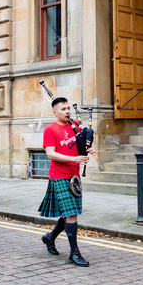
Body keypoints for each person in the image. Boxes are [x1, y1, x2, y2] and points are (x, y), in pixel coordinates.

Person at [38, 97, 96, 266]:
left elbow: (83, 145)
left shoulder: (76, 127)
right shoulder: (50, 130)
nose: (68, 111)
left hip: (74, 176)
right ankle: (74, 253)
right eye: (63, 109)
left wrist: (90, 148)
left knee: (69, 213)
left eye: (68, 108)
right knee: (71, 214)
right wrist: (74, 158)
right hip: (59, 175)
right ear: (55, 112)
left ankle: (49, 238)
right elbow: (51, 154)